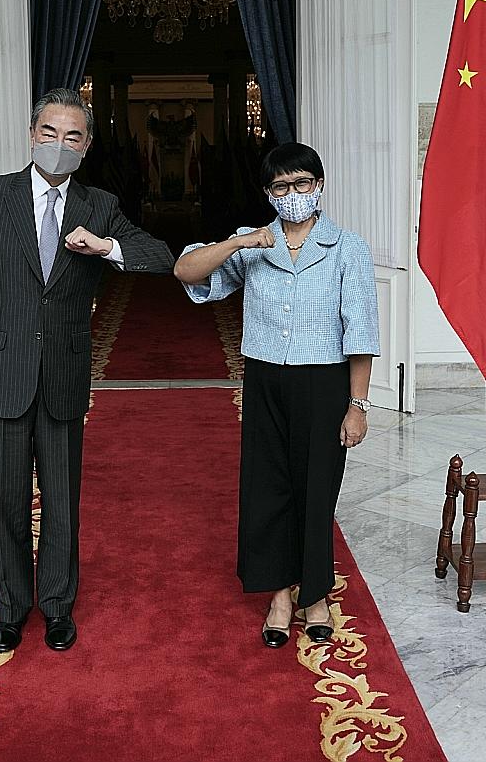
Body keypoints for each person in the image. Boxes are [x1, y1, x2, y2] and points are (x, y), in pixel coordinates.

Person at [0, 87, 174, 652]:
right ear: (31, 135)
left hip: (65, 376)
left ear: (87, 145)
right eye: (50, 133)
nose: (59, 144)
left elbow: (161, 257)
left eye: (72, 137)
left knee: (61, 498)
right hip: (0, 369)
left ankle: (56, 607)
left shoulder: (98, 205)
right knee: (3, 499)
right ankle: (9, 609)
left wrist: (107, 248)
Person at [173, 142, 379, 648]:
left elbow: (362, 332)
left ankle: (315, 594)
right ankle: (279, 595)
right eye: (281, 187)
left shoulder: (346, 247)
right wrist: (238, 245)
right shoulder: (253, 242)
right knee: (269, 488)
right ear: (268, 193)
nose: (293, 194)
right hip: (265, 379)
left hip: (323, 382)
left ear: (320, 185)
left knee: (316, 488)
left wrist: (357, 405)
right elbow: (187, 273)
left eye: (302, 183)